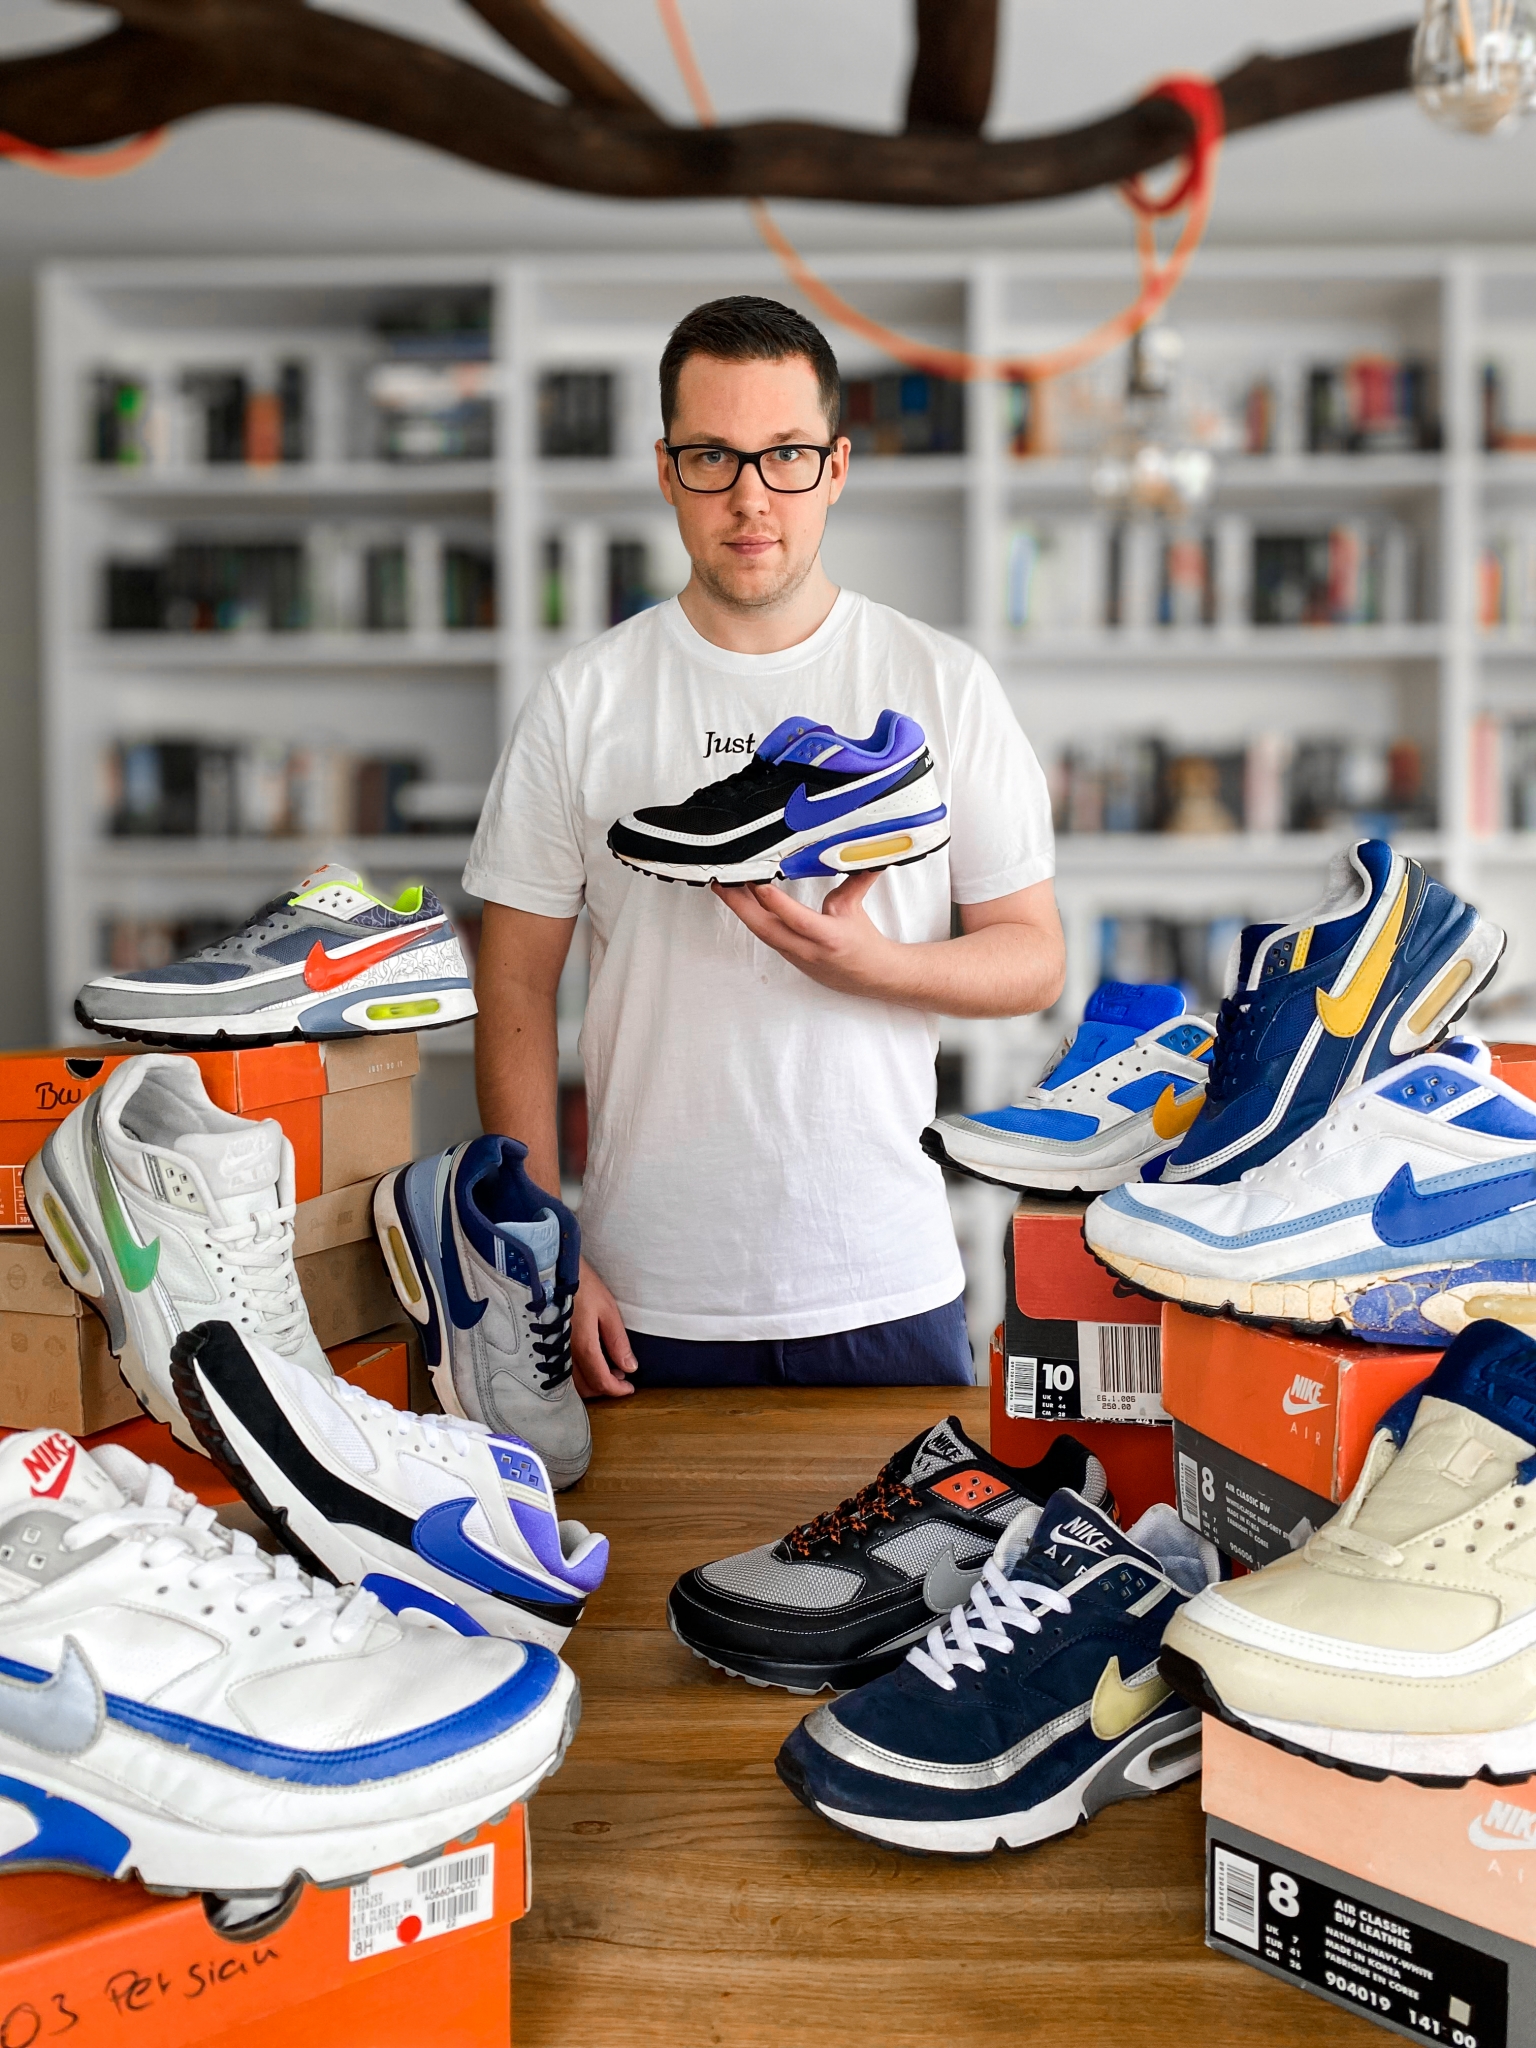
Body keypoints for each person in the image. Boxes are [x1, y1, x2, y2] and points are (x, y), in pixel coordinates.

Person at [466, 296, 1062, 1396]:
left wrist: (876, 966)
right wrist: (544, 1249)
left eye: (785, 454)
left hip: (884, 1274)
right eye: (712, 457)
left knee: (921, 1523)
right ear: (666, 469)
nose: (751, 496)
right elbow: (512, 984)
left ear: (836, 467)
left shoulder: (942, 684)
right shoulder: (583, 698)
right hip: (640, 1288)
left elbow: (1033, 957)